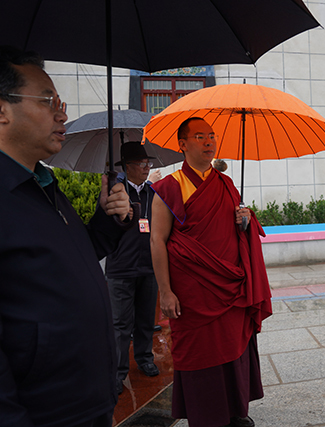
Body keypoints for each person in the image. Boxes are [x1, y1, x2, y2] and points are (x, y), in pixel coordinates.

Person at [0, 45, 131, 426]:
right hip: (44, 411)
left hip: (87, 399)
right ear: (2, 110)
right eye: (47, 101)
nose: (62, 114)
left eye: (60, 102)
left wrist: (109, 219)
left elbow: (74, 260)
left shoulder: (43, 185)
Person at [150, 117, 272, 427]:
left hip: (230, 285)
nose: (209, 142)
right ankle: (206, 417)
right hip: (193, 291)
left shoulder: (226, 184)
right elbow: (157, 240)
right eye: (200, 136)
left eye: (212, 136)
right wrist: (165, 292)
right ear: (182, 144)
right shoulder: (169, 187)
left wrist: (245, 221)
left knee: (234, 347)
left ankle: (234, 411)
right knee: (200, 353)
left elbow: (237, 230)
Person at [106, 141, 161, 395]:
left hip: (149, 267)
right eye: (141, 164)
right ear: (127, 166)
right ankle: (117, 372)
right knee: (120, 324)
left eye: (148, 163)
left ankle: (145, 358)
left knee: (146, 319)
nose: (147, 168)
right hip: (121, 268)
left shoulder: (153, 193)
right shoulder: (115, 192)